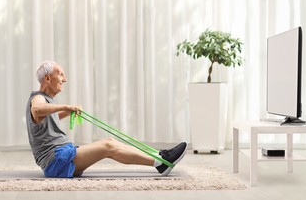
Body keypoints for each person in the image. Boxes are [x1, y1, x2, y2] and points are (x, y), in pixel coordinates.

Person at [26, 60, 187, 178]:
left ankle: (160, 155)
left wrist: (67, 113)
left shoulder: (48, 100)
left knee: (110, 140)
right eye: (60, 74)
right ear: (47, 79)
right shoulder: (38, 98)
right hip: (56, 161)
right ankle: (160, 164)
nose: (64, 79)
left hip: (63, 156)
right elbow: (37, 109)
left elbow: (47, 118)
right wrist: (66, 107)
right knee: (108, 146)